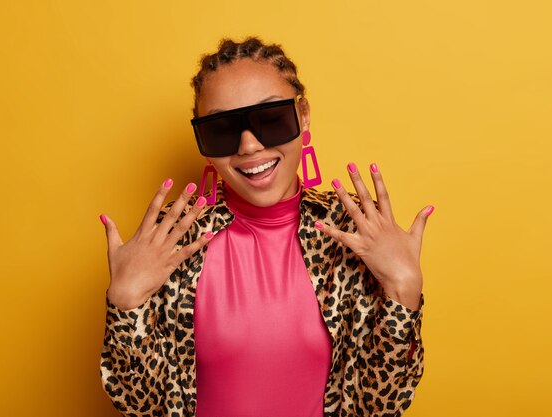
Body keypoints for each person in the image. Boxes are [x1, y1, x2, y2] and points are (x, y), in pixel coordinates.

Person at [98, 36, 433, 417]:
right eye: (222, 129)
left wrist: (404, 290)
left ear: (303, 115)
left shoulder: (353, 231)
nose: (249, 146)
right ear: (203, 143)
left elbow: (377, 406)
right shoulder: (175, 238)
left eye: (270, 119)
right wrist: (125, 305)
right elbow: (145, 407)